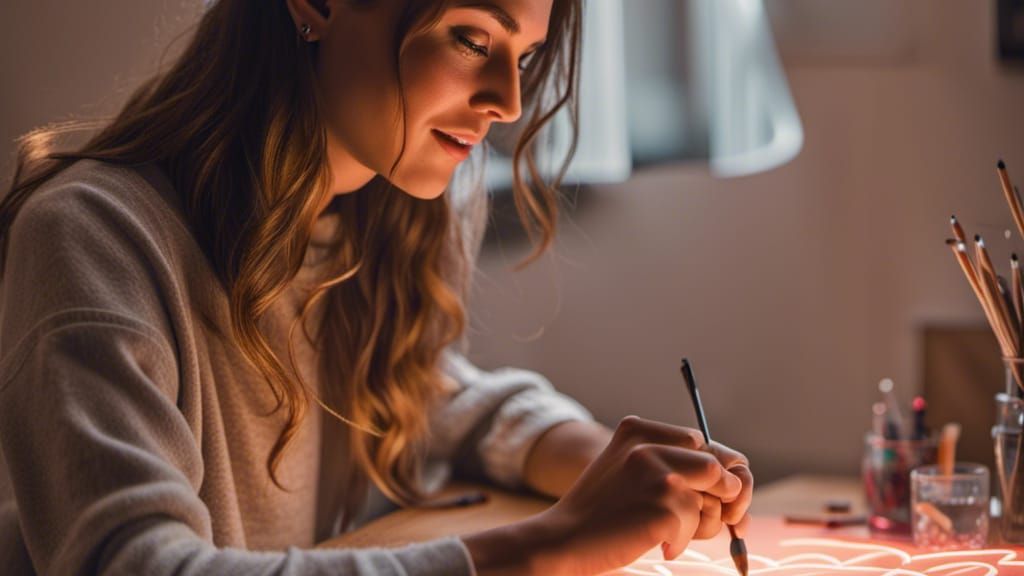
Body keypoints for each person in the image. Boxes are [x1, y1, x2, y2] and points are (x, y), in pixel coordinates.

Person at [0, 0, 754, 574]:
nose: (508, 102)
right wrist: (554, 543)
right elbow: (142, 564)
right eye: (471, 38)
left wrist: (600, 460)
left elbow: (431, 395)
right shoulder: (92, 238)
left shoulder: (370, 218)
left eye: (523, 59)